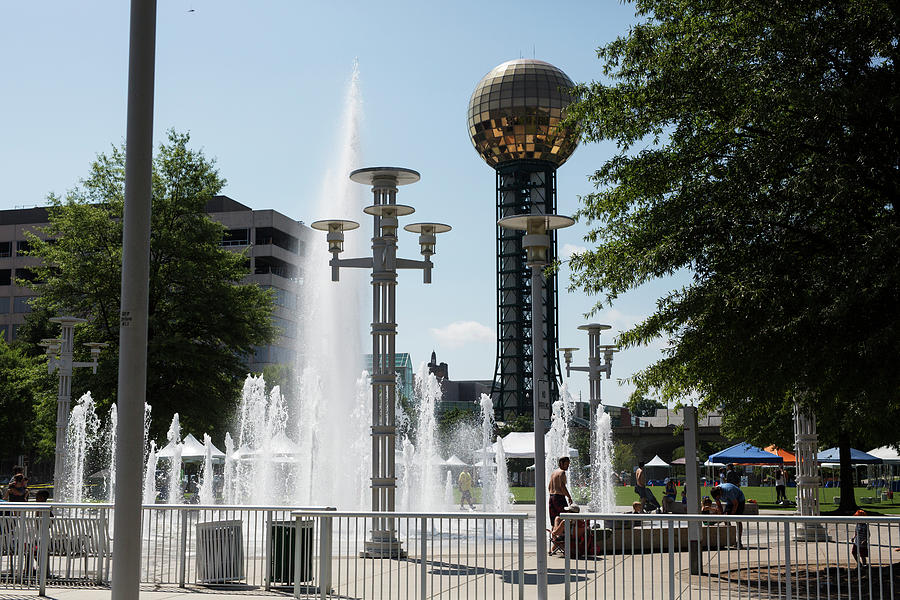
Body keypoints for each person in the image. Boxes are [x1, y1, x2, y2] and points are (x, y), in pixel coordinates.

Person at [711, 483, 745, 548]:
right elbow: (719, 505)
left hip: (739, 500)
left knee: (738, 520)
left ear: (720, 492)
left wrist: (732, 515)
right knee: (726, 518)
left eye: (719, 497)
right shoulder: (714, 493)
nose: (719, 498)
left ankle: (739, 541)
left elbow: (735, 503)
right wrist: (722, 516)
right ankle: (730, 539)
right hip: (729, 502)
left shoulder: (728, 490)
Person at [548, 456, 573, 527]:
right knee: (565, 517)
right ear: (561, 463)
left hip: (551, 497)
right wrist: (569, 497)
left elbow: (549, 487)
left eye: (568, 464)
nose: (568, 466)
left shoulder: (554, 473)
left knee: (554, 519)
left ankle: (554, 535)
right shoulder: (562, 472)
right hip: (559, 498)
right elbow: (562, 486)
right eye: (566, 464)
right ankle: (563, 535)